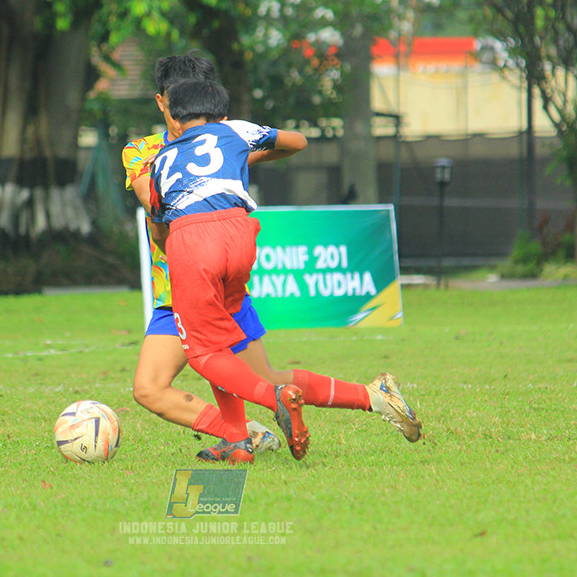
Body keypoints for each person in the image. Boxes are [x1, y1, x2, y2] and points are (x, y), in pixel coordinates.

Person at [123, 52, 422, 464]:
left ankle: (242, 433)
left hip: (194, 273)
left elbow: (164, 219)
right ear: (163, 102)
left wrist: (241, 154)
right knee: (190, 382)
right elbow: (148, 198)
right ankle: (369, 397)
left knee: (200, 376)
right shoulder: (142, 150)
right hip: (191, 277)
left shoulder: (219, 137)